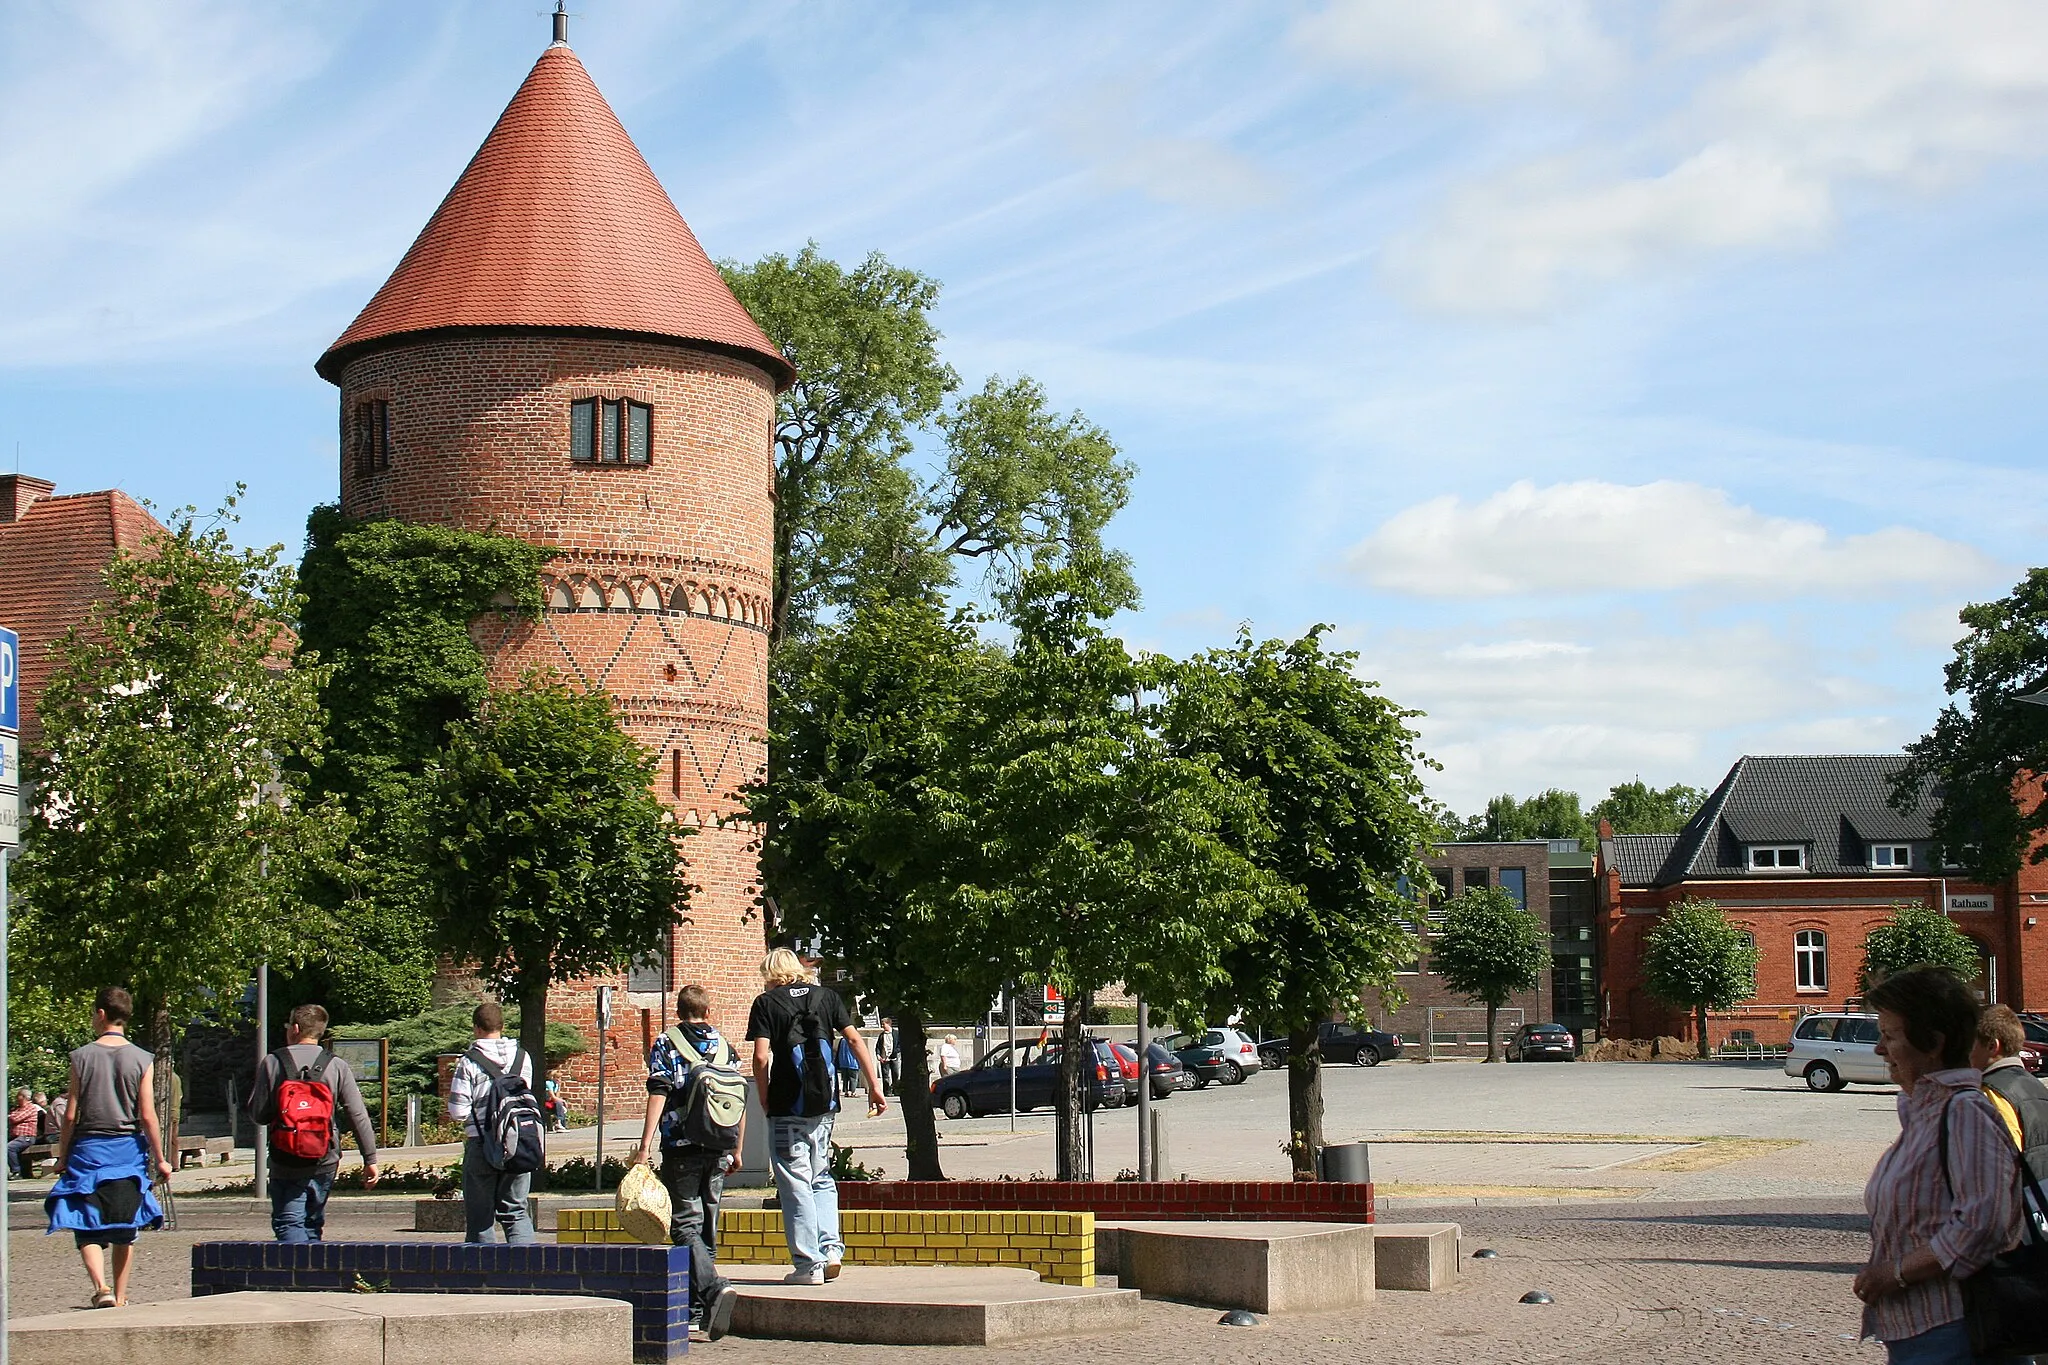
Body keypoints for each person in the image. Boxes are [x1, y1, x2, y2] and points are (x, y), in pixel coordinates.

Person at [1854, 967, 2023, 1363]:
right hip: (1918, 1332)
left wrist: (1896, 1272)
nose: (1879, 1049)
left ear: (1933, 1042)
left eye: (1889, 1036)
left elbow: (1983, 1223)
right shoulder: (1922, 1113)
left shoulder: (1964, 1112)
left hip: (1956, 1332)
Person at [746, 948, 885, 1285]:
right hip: (824, 1103)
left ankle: (809, 1265)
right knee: (821, 1176)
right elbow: (854, 1039)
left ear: (770, 974)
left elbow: (762, 1057)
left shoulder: (766, 1004)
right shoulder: (826, 997)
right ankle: (832, 1249)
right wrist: (874, 1087)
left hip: (785, 1105)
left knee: (795, 1182)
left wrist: (763, 1096)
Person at [44, 987, 172, 1308]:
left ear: (101, 1014)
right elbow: (147, 1115)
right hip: (127, 1152)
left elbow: (71, 1114)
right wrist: (160, 1159)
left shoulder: (81, 1057)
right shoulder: (143, 1058)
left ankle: (100, 1287)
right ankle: (120, 1293)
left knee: (84, 1224)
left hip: (88, 1151)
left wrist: (62, 1156)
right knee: (125, 1226)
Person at [631, 985, 742, 1341]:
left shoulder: (667, 1042)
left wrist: (645, 1145)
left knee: (683, 1225)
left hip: (682, 1144)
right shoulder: (725, 1046)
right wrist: (738, 1147)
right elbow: (738, 1097)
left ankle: (712, 1290)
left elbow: (659, 1091)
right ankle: (698, 1312)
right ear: (708, 1012)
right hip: (720, 1145)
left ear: (679, 1011)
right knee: (707, 1224)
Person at [245, 1003, 380, 1241]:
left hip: (285, 1159)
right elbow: (357, 1114)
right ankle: (313, 1271)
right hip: (324, 1158)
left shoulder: (273, 1062)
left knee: (289, 1221)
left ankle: (297, 1274)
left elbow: (258, 1114)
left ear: (295, 1028)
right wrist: (370, 1159)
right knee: (312, 1222)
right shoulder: (336, 1065)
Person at [446, 1001, 539, 1244]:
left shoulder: (469, 1062)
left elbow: (457, 1111)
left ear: (476, 1028)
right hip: (517, 1142)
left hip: (481, 1144)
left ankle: (483, 1276)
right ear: (502, 1026)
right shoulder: (522, 1057)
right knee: (516, 1211)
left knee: (480, 1217)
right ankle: (527, 1270)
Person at [1972, 1004, 2048, 1186]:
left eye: (1970, 1044)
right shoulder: (2034, 1084)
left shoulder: (1992, 1091)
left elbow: (2002, 1162)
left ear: (1992, 1046)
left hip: (2019, 1202)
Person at [8, 1088, 40, 1177]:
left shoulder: (31, 1108)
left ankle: (16, 1171)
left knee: (9, 1148)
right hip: (16, 1137)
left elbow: (14, 1118)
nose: (16, 1098)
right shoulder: (18, 1109)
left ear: (23, 1097)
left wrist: (11, 1116)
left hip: (27, 1137)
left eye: (18, 1096)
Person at [875, 1020, 899, 1097]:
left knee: (895, 1074)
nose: (882, 1026)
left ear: (888, 1024)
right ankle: (887, 1091)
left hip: (893, 1057)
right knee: (885, 1075)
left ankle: (896, 1090)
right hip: (884, 1058)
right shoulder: (882, 1035)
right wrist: (878, 1055)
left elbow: (899, 1045)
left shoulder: (896, 1033)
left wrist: (895, 1052)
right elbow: (878, 1046)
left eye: (883, 1024)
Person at [835, 1031, 861, 1097]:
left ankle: (846, 1091)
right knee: (853, 1078)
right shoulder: (853, 1040)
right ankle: (852, 1092)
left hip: (843, 1062)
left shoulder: (842, 1040)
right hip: (853, 1063)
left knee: (845, 1078)